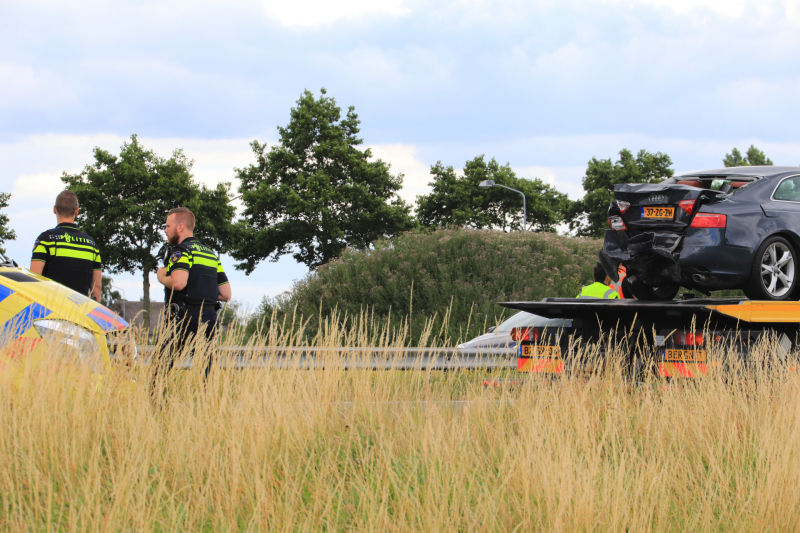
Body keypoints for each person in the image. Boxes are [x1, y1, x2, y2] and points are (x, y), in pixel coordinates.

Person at [154, 207, 231, 389]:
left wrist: (161, 276)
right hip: (209, 320)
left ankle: (157, 409)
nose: (165, 230)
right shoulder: (210, 254)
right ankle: (208, 409)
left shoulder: (181, 251)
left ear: (180, 227)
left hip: (182, 318)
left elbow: (179, 283)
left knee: (161, 372)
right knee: (207, 375)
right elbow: (226, 294)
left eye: (167, 226)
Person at [30, 190, 102, 302]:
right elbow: (96, 288)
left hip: (50, 313)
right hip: (81, 313)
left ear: (55, 209)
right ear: (77, 211)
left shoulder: (46, 240)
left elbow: (34, 280)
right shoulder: (91, 245)